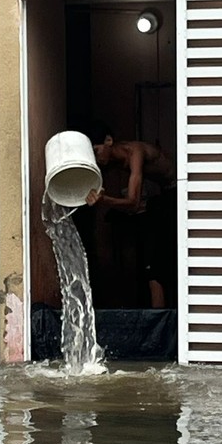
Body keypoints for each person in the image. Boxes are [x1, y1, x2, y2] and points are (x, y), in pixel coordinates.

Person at [84, 122, 177, 308]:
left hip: (178, 190)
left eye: (96, 150)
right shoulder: (113, 161)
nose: (96, 157)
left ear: (109, 141)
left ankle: (160, 324)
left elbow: (133, 203)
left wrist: (105, 200)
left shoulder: (135, 152)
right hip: (162, 195)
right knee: (149, 261)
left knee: (156, 267)